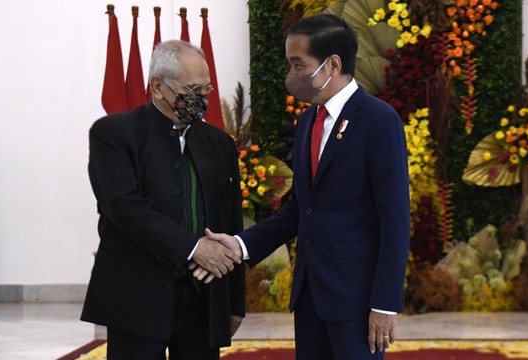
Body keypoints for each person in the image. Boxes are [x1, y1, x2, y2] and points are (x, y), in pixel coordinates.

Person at [202, 14, 410, 359]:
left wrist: (385, 304)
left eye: (298, 64)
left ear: (332, 65)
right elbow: (300, 208)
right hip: (310, 294)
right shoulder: (307, 120)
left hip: (355, 299)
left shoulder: (378, 120)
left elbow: (395, 219)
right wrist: (240, 245)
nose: (291, 74)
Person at [81, 40, 246, 360]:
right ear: (157, 86)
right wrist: (195, 248)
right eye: (193, 89)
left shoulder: (219, 143)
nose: (202, 98)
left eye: (207, 88)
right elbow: (125, 209)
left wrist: (235, 303)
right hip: (136, 298)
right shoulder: (113, 133)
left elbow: (230, 223)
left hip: (203, 300)